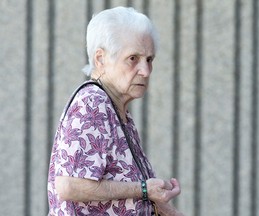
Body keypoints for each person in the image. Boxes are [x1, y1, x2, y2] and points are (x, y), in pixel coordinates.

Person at [47, 6, 183, 215]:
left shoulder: (115, 109)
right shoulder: (93, 103)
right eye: (133, 59)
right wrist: (145, 189)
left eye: (149, 59)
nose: (145, 71)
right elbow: (69, 185)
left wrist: (157, 201)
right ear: (100, 59)